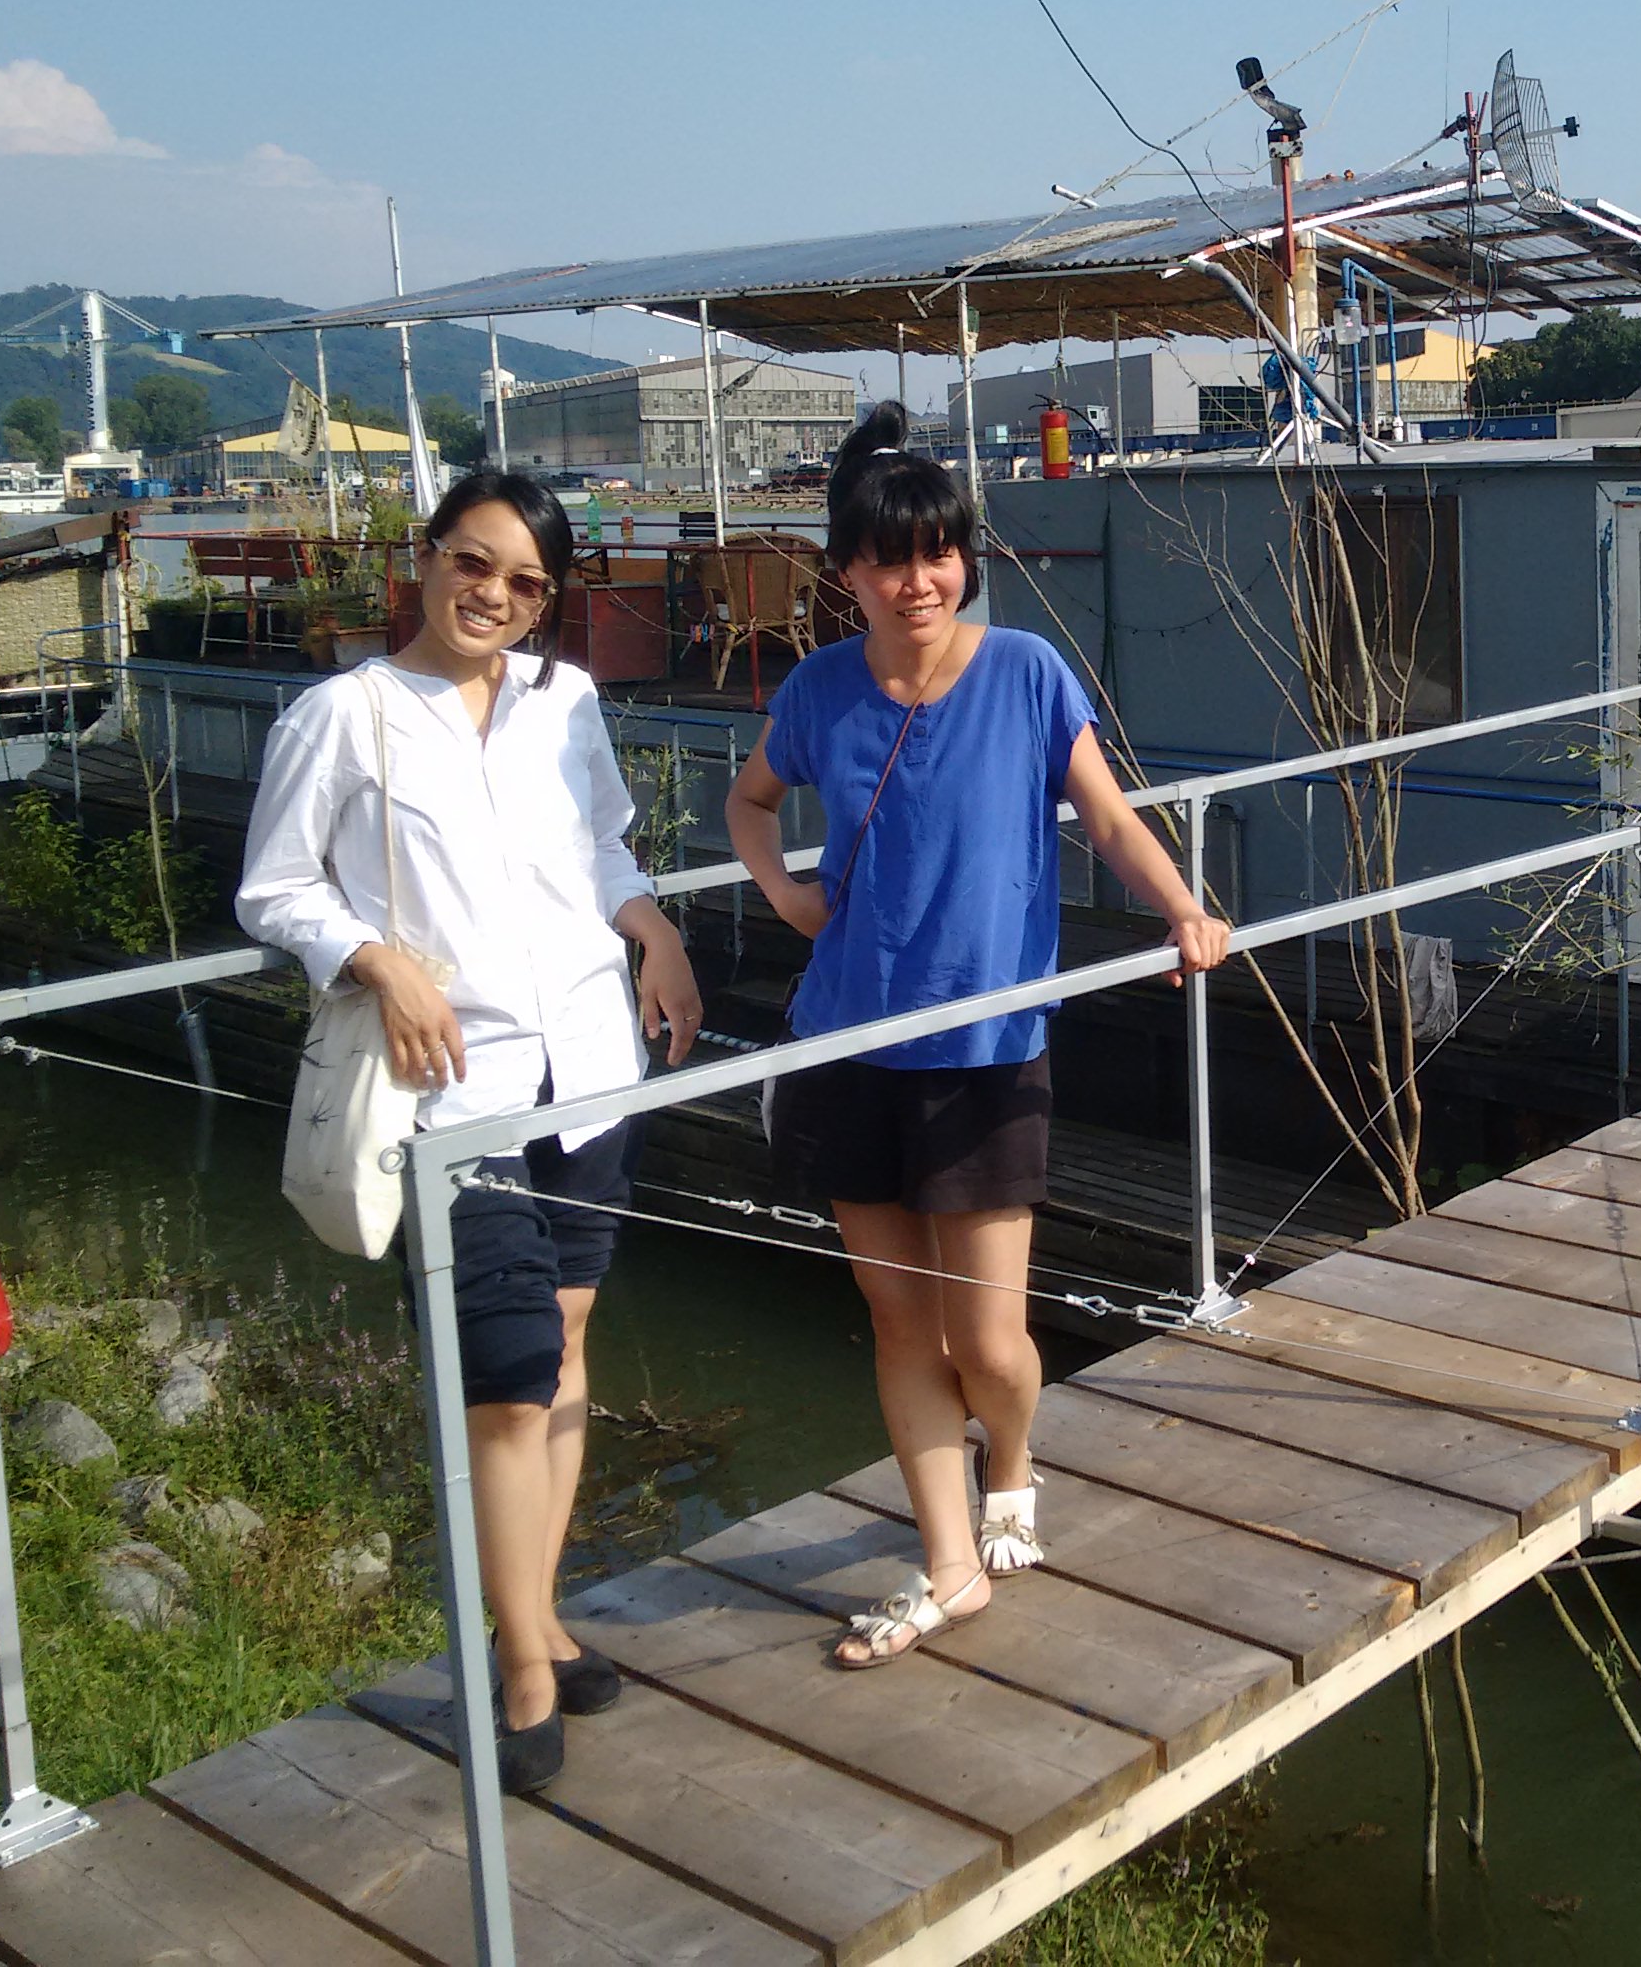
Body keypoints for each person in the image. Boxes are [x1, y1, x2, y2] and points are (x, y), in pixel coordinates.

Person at [728, 403, 1228, 1667]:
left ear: (964, 558)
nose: (919, 581)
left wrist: (1183, 908)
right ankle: (950, 1564)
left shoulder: (1026, 672)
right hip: (849, 1042)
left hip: (988, 1046)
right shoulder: (819, 691)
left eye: (939, 553)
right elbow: (750, 799)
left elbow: (1107, 820)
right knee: (901, 1323)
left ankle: (1012, 1460)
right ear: (846, 573)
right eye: (890, 560)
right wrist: (784, 891)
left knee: (987, 1339)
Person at [237, 469, 702, 1790]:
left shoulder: (570, 702)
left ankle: (543, 1610)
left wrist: (654, 926)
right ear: (427, 558)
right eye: (473, 563)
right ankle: (517, 1664)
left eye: (525, 582)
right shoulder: (349, 715)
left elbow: (602, 845)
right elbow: (273, 886)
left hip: (590, 1061)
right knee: (505, 1376)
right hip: (452, 1090)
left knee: (562, 1343)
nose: (491, 595)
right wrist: (373, 958)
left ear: (548, 598)